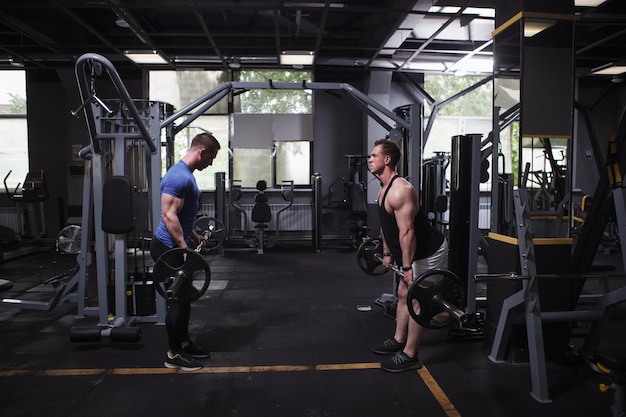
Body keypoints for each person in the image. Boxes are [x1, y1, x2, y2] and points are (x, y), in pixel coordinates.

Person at [368, 138, 448, 373]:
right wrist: (385, 252)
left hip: (428, 251)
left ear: (387, 159)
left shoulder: (401, 190)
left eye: (374, 155)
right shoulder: (384, 189)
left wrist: (407, 267)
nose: (369, 159)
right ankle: (398, 339)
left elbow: (408, 232)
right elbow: (387, 226)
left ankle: (410, 354)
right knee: (403, 292)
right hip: (410, 252)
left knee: (417, 298)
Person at [150, 132, 221, 371]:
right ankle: (174, 354)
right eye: (211, 157)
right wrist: (183, 248)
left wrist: (192, 236)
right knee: (178, 302)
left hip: (176, 246)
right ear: (201, 152)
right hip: (168, 249)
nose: (211, 163)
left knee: (185, 298)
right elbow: (168, 215)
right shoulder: (179, 177)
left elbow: (180, 215)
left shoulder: (184, 174)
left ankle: (184, 343)